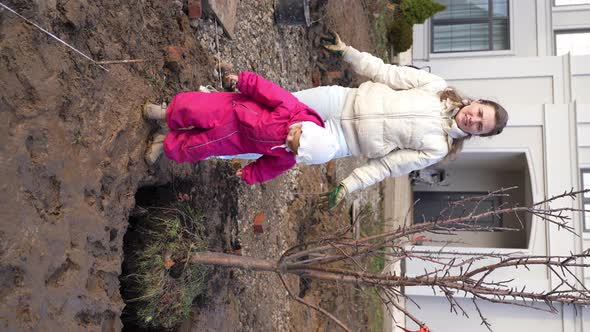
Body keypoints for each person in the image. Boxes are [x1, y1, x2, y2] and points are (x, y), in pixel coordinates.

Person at [292, 31, 509, 209]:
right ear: (478, 102)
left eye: (480, 127)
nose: (473, 120)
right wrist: (348, 52)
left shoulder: (438, 148)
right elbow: (385, 73)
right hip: (341, 99)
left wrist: (348, 185)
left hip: (341, 140)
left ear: (476, 134)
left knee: (280, 143)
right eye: (480, 113)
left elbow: (386, 166)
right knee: (282, 104)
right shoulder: (436, 86)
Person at [143, 71, 339, 184]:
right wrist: (244, 81)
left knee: (196, 147)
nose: (288, 140)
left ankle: (165, 143)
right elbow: (266, 90)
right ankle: (165, 113)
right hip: (230, 111)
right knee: (194, 108)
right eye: (293, 135)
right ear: (304, 126)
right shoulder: (291, 107)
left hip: (233, 142)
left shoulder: (287, 158)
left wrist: (250, 174)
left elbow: (268, 169)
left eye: (293, 146)